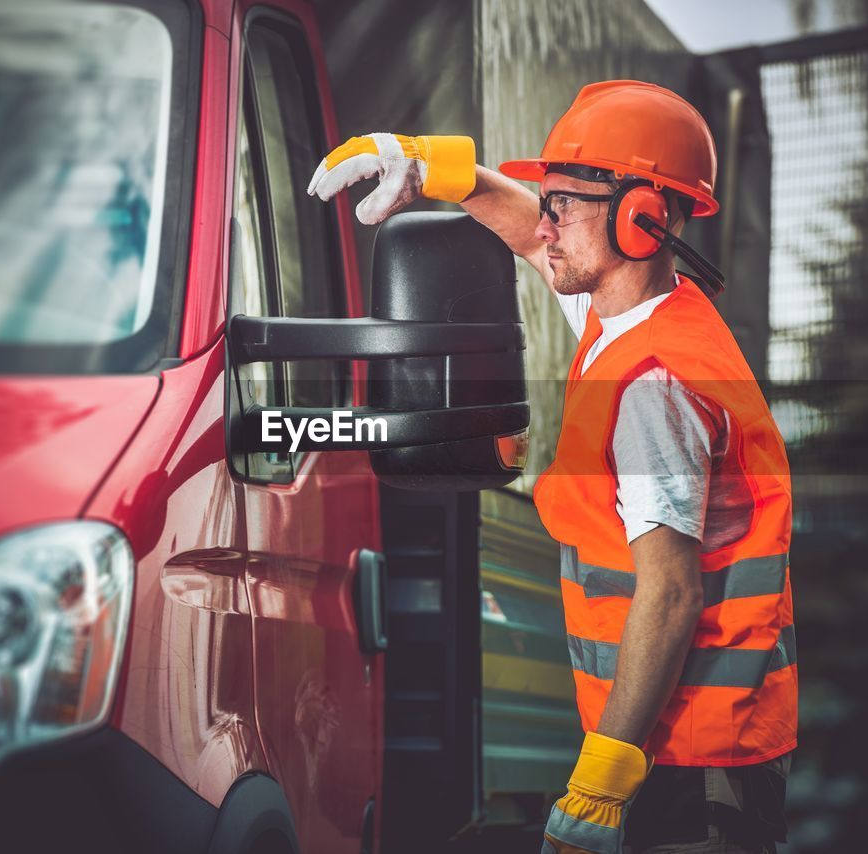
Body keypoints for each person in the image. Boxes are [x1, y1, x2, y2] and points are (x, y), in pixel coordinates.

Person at [309, 80, 796, 854]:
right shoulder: (644, 312)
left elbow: (670, 591)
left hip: (690, 757)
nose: (545, 223)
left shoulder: (652, 388)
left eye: (564, 202)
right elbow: (535, 242)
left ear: (645, 219)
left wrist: (599, 784)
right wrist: (431, 166)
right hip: (673, 737)